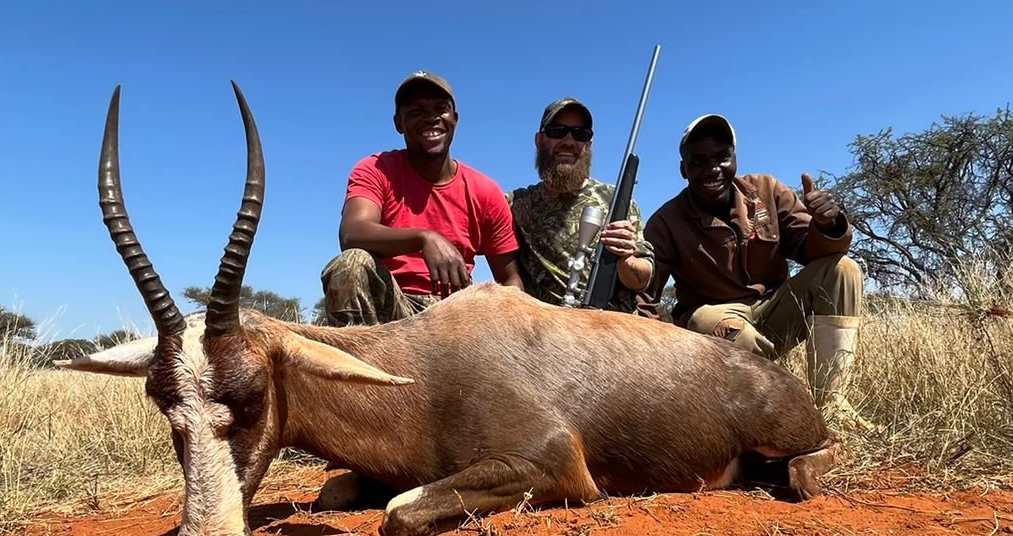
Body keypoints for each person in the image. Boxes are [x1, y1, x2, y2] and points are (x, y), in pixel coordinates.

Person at [640, 113, 870, 427]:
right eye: (699, 162)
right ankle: (765, 415)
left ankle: (832, 404)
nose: (713, 169)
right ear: (683, 169)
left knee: (844, 269)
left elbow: (811, 251)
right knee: (709, 320)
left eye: (722, 157)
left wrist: (828, 224)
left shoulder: (767, 190)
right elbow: (646, 295)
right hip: (717, 327)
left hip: (776, 309)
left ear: (735, 157)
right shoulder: (665, 222)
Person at [320, 71, 523, 325]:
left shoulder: (485, 190)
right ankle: (357, 364)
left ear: (455, 119)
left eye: (441, 109)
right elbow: (352, 233)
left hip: (456, 315)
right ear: (399, 123)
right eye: (416, 112)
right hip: (392, 311)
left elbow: (510, 281)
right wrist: (424, 238)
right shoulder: (376, 169)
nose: (431, 118)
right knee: (350, 265)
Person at [506, 97, 654, 313]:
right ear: (539, 140)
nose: (569, 141)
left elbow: (642, 279)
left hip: (608, 327)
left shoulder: (619, 203)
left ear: (589, 144)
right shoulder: (515, 204)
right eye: (558, 131)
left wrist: (626, 259)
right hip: (545, 330)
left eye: (580, 134)